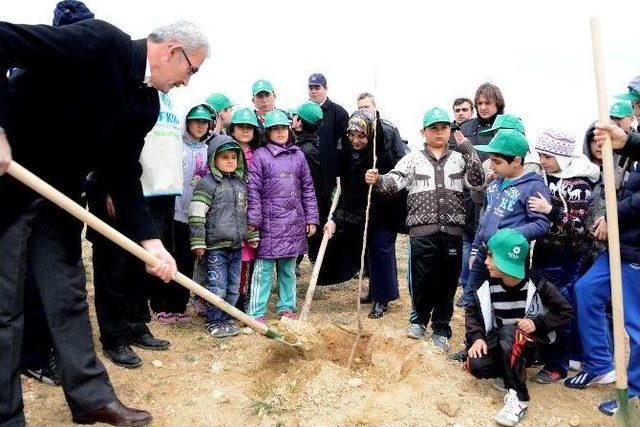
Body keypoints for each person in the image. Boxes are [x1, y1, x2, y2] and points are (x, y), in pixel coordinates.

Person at [0, 18, 208, 426]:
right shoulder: (100, 43)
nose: (188, 81)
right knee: (5, 309)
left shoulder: (145, 103)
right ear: (172, 52)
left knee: (68, 298)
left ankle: (91, 398)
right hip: (9, 185)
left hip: (58, 200)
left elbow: (121, 172)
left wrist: (150, 241)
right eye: (192, 70)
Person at [18, 0, 95, 389]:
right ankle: (32, 355)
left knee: (65, 272)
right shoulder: (32, 71)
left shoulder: (82, 82)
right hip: (23, 194)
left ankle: (54, 350)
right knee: (28, 276)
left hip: (65, 194)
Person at [365, 107, 484, 347]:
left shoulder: (459, 158)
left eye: (443, 128)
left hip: (452, 232)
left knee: (448, 281)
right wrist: (377, 180)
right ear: (423, 132)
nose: (439, 133)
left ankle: (441, 328)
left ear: (449, 130)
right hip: (422, 232)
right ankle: (418, 320)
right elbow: (393, 182)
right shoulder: (412, 159)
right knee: (422, 279)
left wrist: (468, 149)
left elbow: (478, 181)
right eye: (434, 128)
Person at [464, 228, 573, 427]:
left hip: (530, 345)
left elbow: (565, 311)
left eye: (491, 256)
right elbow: (472, 313)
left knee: (509, 331)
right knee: (474, 365)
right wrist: (477, 337)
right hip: (500, 341)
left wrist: (537, 323)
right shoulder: (487, 285)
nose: (486, 262)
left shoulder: (537, 284)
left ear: (507, 260)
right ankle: (510, 370)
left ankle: (519, 397)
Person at [567, 121, 640, 417]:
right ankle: (599, 364)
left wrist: (613, 216)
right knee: (586, 290)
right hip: (620, 246)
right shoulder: (626, 155)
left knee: (635, 324)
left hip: (635, 248)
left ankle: (634, 393)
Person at [527, 129, 599, 383]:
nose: (543, 160)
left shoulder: (578, 184)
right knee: (539, 305)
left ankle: (558, 364)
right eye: (541, 155)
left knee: (561, 309)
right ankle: (542, 352)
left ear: (562, 156)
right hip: (544, 252)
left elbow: (580, 226)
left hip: (567, 257)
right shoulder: (545, 177)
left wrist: (551, 211)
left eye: (547, 155)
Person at [324, 110, 405, 318]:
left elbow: (391, 183)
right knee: (369, 253)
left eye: (361, 136)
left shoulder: (381, 155)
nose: (356, 140)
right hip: (362, 212)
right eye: (352, 135)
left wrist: (376, 179)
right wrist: (335, 219)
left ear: (371, 135)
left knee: (381, 251)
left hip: (384, 212)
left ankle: (382, 298)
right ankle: (373, 291)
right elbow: (349, 191)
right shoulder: (348, 156)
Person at [460, 129, 551, 308]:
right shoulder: (494, 185)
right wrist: (475, 248)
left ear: (516, 161)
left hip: (509, 257)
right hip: (483, 252)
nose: (492, 166)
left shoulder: (533, 187)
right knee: (473, 298)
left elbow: (541, 224)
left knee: (504, 303)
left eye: (497, 161)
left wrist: (510, 235)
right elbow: (485, 218)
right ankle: (475, 335)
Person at [246, 110, 319, 322]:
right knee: (263, 270)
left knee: (288, 269)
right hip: (269, 223)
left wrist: (311, 218)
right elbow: (253, 190)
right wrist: (253, 219)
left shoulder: (298, 155)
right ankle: (256, 312)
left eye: (283, 128)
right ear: (267, 132)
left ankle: (287, 308)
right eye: (275, 129)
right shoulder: (261, 155)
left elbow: (308, 189)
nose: (280, 132)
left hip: (294, 223)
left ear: (289, 130)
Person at [189, 135, 256, 337]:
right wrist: (198, 242)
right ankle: (214, 321)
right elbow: (196, 214)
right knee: (216, 286)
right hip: (215, 247)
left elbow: (246, 213)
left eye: (233, 157)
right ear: (213, 159)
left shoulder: (240, 184)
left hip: (236, 246)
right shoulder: (207, 185)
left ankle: (226, 319)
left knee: (232, 286)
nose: (229, 161)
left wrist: (252, 235)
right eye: (224, 157)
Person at [170, 104, 213, 323]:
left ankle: (180, 304)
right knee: (172, 257)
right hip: (174, 211)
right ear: (187, 122)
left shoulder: (209, 150)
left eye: (204, 122)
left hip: (197, 216)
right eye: (196, 121)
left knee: (188, 261)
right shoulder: (176, 145)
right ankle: (165, 304)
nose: (199, 126)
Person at [308, 73, 349, 252]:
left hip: (330, 178)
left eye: (317, 87)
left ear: (325, 88)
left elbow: (345, 145)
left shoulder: (338, 112)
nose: (314, 91)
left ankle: (329, 259)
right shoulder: (302, 112)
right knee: (310, 218)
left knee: (329, 217)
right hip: (309, 177)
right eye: (311, 87)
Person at [227, 108, 261, 311]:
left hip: (250, 212)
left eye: (250, 127)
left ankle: (242, 296)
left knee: (246, 258)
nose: (246, 131)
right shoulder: (224, 151)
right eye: (241, 127)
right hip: (228, 213)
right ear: (233, 129)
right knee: (228, 257)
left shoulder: (258, 154)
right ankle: (222, 298)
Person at [356, 92, 409, 158]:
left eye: (366, 107)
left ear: (374, 107)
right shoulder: (353, 130)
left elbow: (400, 156)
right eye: (360, 108)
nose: (363, 110)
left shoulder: (388, 129)